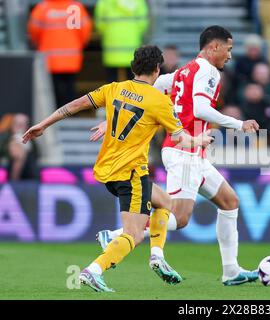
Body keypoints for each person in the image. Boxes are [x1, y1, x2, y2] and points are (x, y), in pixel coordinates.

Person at [22, 45, 213, 292]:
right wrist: (199, 140)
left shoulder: (115, 89)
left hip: (108, 169)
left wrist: (43, 124)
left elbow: (76, 105)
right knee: (133, 235)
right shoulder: (159, 101)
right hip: (131, 173)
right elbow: (179, 138)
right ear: (157, 69)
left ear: (134, 67)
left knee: (165, 202)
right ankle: (93, 270)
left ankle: (157, 256)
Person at [92, 26, 261, 286]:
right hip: (185, 150)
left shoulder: (186, 70)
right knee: (179, 218)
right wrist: (239, 125)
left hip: (193, 152)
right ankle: (116, 235)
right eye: (228, 49)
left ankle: (231, 270)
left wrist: (118, 114)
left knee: (230, 201)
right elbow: (202, 109)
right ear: (213, 47)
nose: (229, 56)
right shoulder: (209, 72)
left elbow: (156, 84)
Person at [28, 0, 92, 107]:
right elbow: (85, 30)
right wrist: (79, 45)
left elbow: (34, 31)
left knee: (52, 90)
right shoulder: (75, 8)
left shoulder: (43, 8)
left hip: (49, 59)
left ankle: (54, 115)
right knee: (70, 88)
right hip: (71, 57)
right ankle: (71, 116)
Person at [94, 0, 149, 82]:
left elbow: (99, 24)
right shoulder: (139, 1)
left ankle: (113, 95)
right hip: (132, 47)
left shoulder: (104, 2)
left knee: (111, 82)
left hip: (112, 48)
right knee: (133, 82)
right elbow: (143, 23)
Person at [0, 114, 38, 181]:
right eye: (17, 124)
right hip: (8, 167)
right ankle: (14, 181)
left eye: (23, 124)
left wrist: (25, 147)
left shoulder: (32, 139)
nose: (20, 126)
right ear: (12, 125)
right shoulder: (4, 137)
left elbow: (37, 154)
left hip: (29, 173)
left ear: (27, 127)